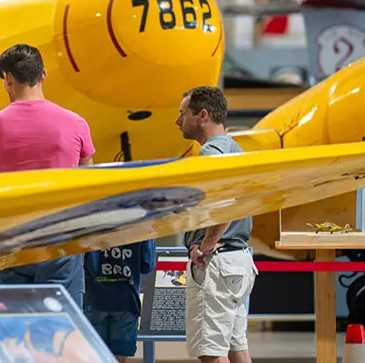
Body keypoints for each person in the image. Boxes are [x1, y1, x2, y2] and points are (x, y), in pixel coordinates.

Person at [0, 44, 95, 308]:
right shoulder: (76, 123)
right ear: (43, 75)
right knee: (64, 325)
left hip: (8, 240)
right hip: (60, 238)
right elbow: (89, 182)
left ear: (7, 79)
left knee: (15, 329)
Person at [175, 86, 258, 363]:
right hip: (239, 260)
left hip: (217, 263)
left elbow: (227, 204)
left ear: (202, 116)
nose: (177, 121)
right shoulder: (236, 150)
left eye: (182, 113)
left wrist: (206, 247)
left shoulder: (212, 154)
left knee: (210, 352)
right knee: (237, 348)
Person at [83, 240, 156, 362]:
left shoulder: (89, 223)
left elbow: (81, 261)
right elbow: (147, 265)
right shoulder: (140, 225)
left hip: (95, 298)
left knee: (95, 355)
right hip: (126, 299)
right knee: (119, 357)